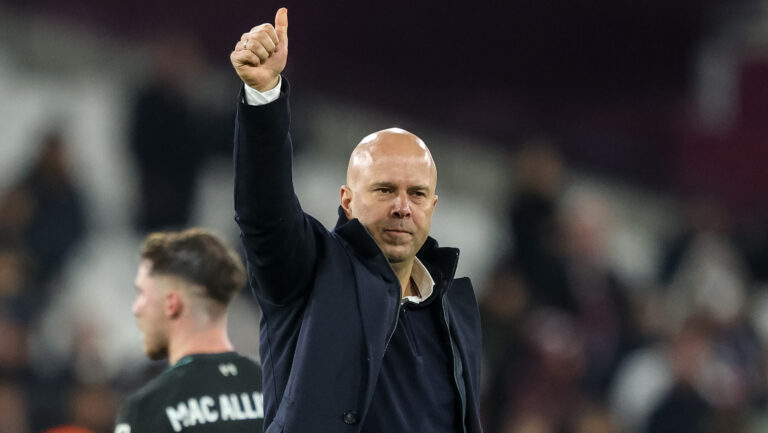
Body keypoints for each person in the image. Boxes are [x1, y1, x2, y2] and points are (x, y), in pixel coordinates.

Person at [230, 8, 482, 433]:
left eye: (417, 194)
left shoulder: (454, 310)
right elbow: (263, 211)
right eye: (385, 190)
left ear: (432, 207)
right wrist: (264, 97)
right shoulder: (309, 271)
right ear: (347, 201)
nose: (402, 206)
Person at [114, 229, 264, 433]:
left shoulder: (148, 409)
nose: (136, 308)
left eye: (142, 293)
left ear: (171, 304)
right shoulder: (277, 387)